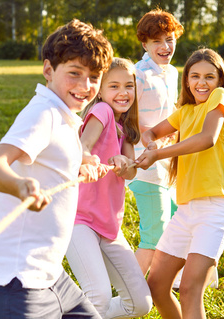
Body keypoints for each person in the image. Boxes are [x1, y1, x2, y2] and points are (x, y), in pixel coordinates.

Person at [0, 19, 114, 319]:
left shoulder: (64, 114)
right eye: (74, 74)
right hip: (16, 280)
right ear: (48, 70)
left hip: (51, 277)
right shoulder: (43, 113)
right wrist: (21, 186)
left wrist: (82, 164)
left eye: (94, 77)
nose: (85, 86)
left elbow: (53, 161)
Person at [135, 48, 224, 319]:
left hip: (216, 209)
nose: (202, 82)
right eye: (195, 76)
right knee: (157, 286)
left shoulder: (221, 99)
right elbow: (151, 131)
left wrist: (158, 154)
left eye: (209, 76)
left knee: (189, 289)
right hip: (186, 210)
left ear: (220, 80)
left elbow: (207, 138)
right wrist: (151, 142)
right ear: (186, 80)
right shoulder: (185, 111)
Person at [66, 58, 152, 319]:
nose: (123, 92)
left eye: (129, 85)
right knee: (98, 296)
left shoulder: (124, 125)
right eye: (113, 86)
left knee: (139, 304)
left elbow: (131, 171)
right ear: (100, 91)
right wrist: (86, 159)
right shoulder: (102, 110)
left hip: (110, 225)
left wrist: (124, 163)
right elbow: (84, 145)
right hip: (80, 221)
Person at [128, 8, 184, 276]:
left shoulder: (172, 72)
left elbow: (171, 112)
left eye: (170, 39)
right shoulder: (137, 74)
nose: (165, 47)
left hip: (168, 161)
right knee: (154, 234)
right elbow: (126, 116)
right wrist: (155, 133)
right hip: (144, 163)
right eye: (157, 41)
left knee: (178, 223)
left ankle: (171, 282)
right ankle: (131, 297)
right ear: (144, 44)